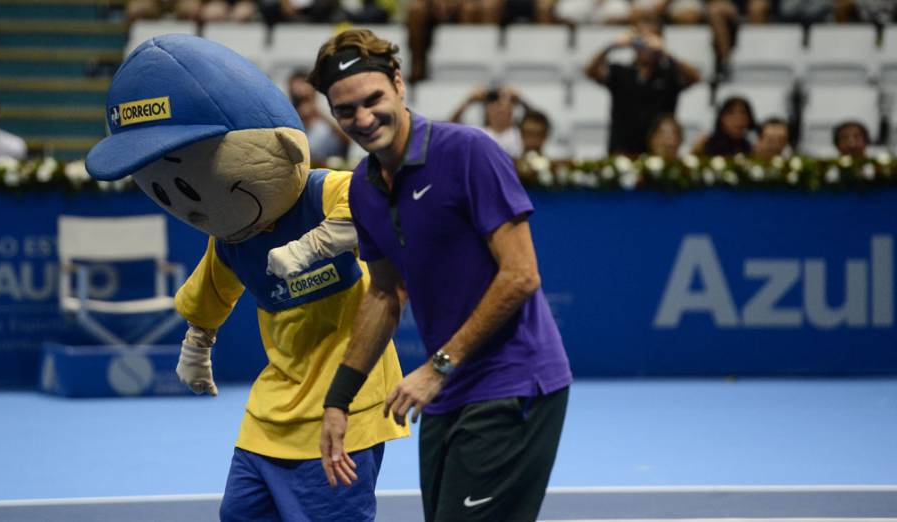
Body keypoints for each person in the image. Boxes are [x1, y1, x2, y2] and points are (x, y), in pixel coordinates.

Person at [83, 34, 408, 522]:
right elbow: (210, 293)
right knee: (239, 514)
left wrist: (312, 247)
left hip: (348, 402)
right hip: (273, 410)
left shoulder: (325, 193)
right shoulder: (233, 238)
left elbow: (376, 204)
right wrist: (197, 345)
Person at [308, 28, 573, 522]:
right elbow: (386, 294)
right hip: (448, 393)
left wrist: (438, 366)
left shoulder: (470, 151)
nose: (363, 119)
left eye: (373, 100)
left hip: (515, 381)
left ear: (399, 84)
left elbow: (521, 276)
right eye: (346, 111)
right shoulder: (364, 189)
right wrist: (338, 401)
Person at [585, 16, 700, 157]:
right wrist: (612, 46)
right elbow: (590, 71)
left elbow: (695, 77)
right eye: (641, 38)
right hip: (623, 151)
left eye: (651, 38)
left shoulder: (669, 74)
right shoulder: (620, 72)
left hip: (659, 152)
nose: (646, 45)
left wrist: (666, 52)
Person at [288, 70, 350, 164]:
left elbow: (348, 140)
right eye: (298, 98)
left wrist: (318, 114)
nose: (301, 91)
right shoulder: (289, 117)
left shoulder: (329, 107)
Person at [450, 86, 528, 158]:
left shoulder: (522, 134)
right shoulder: (477, 133)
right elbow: (451, 127)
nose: (499, 111)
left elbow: (538, 121)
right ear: (486, 112)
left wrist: (521, 101)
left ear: (511, 111)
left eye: (503, 110)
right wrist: (469, 101)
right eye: (495, 109)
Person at [691, 96, 756, 156]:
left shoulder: (751, 148)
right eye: (731, 113)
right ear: (721, 118)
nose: (738, 119)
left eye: (743, 113)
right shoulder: (706, 144)